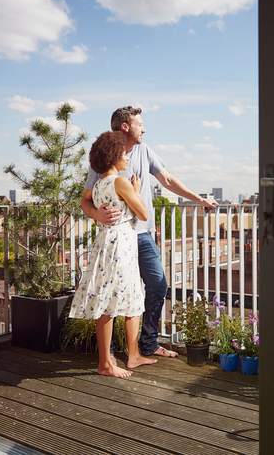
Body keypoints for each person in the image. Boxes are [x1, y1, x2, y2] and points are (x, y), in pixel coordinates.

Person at [81, 106, 218, 359]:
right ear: (125, 126)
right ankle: (109, 354)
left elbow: (167, 180)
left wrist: (199, 199)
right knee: (112, 292)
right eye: (139, 123)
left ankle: (147, 344)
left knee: (156, 285)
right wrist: (96, 214)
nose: (144, 128)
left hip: (142, 235)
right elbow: (86, 200)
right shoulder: (105, 156)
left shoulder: (144, 150)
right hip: (117, 237)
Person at [69, 131, 156, 378]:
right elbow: (143, 214)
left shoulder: (98, 186)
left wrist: (97, 214)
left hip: (108, 240)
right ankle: (109, 362)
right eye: (123, 155)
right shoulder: (120, 182)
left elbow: (85, 202)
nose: (127, 159)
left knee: (115, 296)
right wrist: (136, 190)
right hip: (121, 243)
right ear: (113, 156)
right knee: (117, 299)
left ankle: (127, 356)